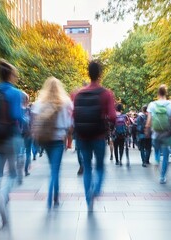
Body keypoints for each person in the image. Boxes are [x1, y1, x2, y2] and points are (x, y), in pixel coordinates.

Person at [0, 59, 23, 234]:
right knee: (13, 174)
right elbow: (17, 115)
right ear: (11, 75)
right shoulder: (15, 93)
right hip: (9, 137)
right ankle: (4, 195)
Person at [73, 61, 116, 211]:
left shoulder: (78, 94)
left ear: (88, 73)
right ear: (100, 74)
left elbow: (73, 115)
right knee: (99, 166)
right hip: (98, 135)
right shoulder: (106, 93)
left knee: (87, 166)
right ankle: (96, 190)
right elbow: (112, 116)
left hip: (82, 136)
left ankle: (88, 199)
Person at [32, 77, 73, 209]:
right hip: (58, 139)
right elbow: (69, 124)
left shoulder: (39, 103)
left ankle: (54, 196)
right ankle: (53, 197)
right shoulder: (66, 102)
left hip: (45, 140)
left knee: (52, 168)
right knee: (56, 169)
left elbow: (34, 122)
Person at [145, 85, 171, 184]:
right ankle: (162, 177)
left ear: (158, 93)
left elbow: (149, 121)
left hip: (155, 134)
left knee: (156, 150)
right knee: (165, 156)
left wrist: (147, 129)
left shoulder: (152, 104)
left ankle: (156, 159)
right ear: (166, 93)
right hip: (166, 134)